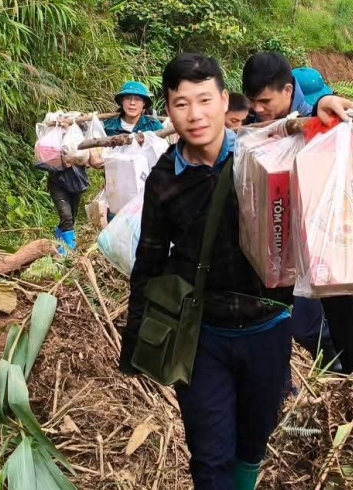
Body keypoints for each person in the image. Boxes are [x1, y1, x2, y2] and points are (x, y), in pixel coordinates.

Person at [121, 53, 293, 490]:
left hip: (268, 324)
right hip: (203, 336)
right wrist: (136, 339)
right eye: (182, 103)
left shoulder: (261, 153)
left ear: (224, 100)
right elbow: (150, 260)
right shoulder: (164, 178)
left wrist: (336, 105)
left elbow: (309, 131)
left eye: (203, 100)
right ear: (168, 108)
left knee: (254, 442)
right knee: (210, 455)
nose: (194, 115)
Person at [241, 53, 353, 373]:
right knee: (278, 319)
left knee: (308, 325)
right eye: (253, 101)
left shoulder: (318, 120)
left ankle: (348, 374)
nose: (258, 109)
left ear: (287, 90)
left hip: (316, 242)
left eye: (265, 101)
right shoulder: (256, 120)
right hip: (274, 239)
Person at [34, 127, 90, 254]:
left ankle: (59, 241)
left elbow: (90, 159)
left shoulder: (77, 140)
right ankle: (69, 248)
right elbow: (39, 163)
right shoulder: (51, 142)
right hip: (58, 185)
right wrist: (62, 164)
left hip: (76, 185)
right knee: (66, 216)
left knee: (71, 218)